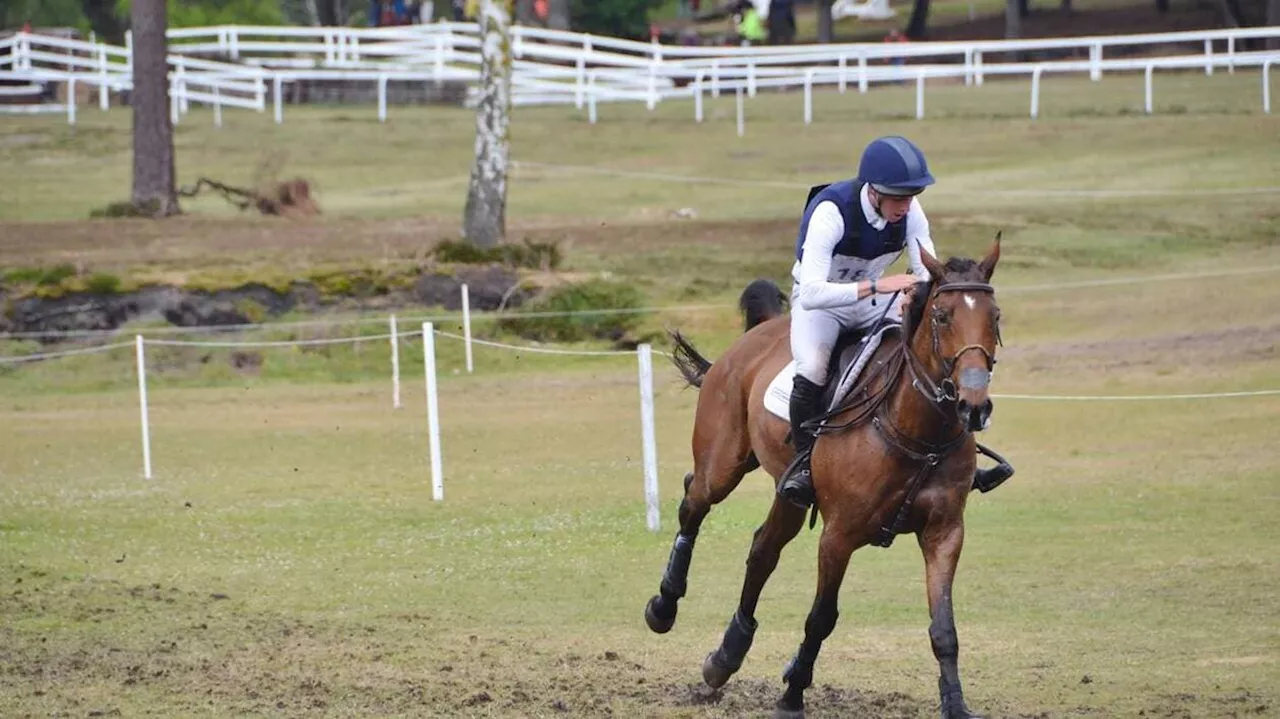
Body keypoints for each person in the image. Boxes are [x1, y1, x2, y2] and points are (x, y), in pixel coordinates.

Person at [777, 136, 1012, 508]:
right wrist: (879, 284)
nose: (905, 206)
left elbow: (925, 271)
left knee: (932, 354)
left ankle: (964, 457)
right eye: (897, 198)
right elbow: (812, 293)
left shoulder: (911, 213)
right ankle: (805, 466)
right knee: (813, 368)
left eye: (910, 196)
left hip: (876, 301)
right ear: (873, 193)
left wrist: (917, 294)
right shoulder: (830, 212)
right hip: (821, 306)